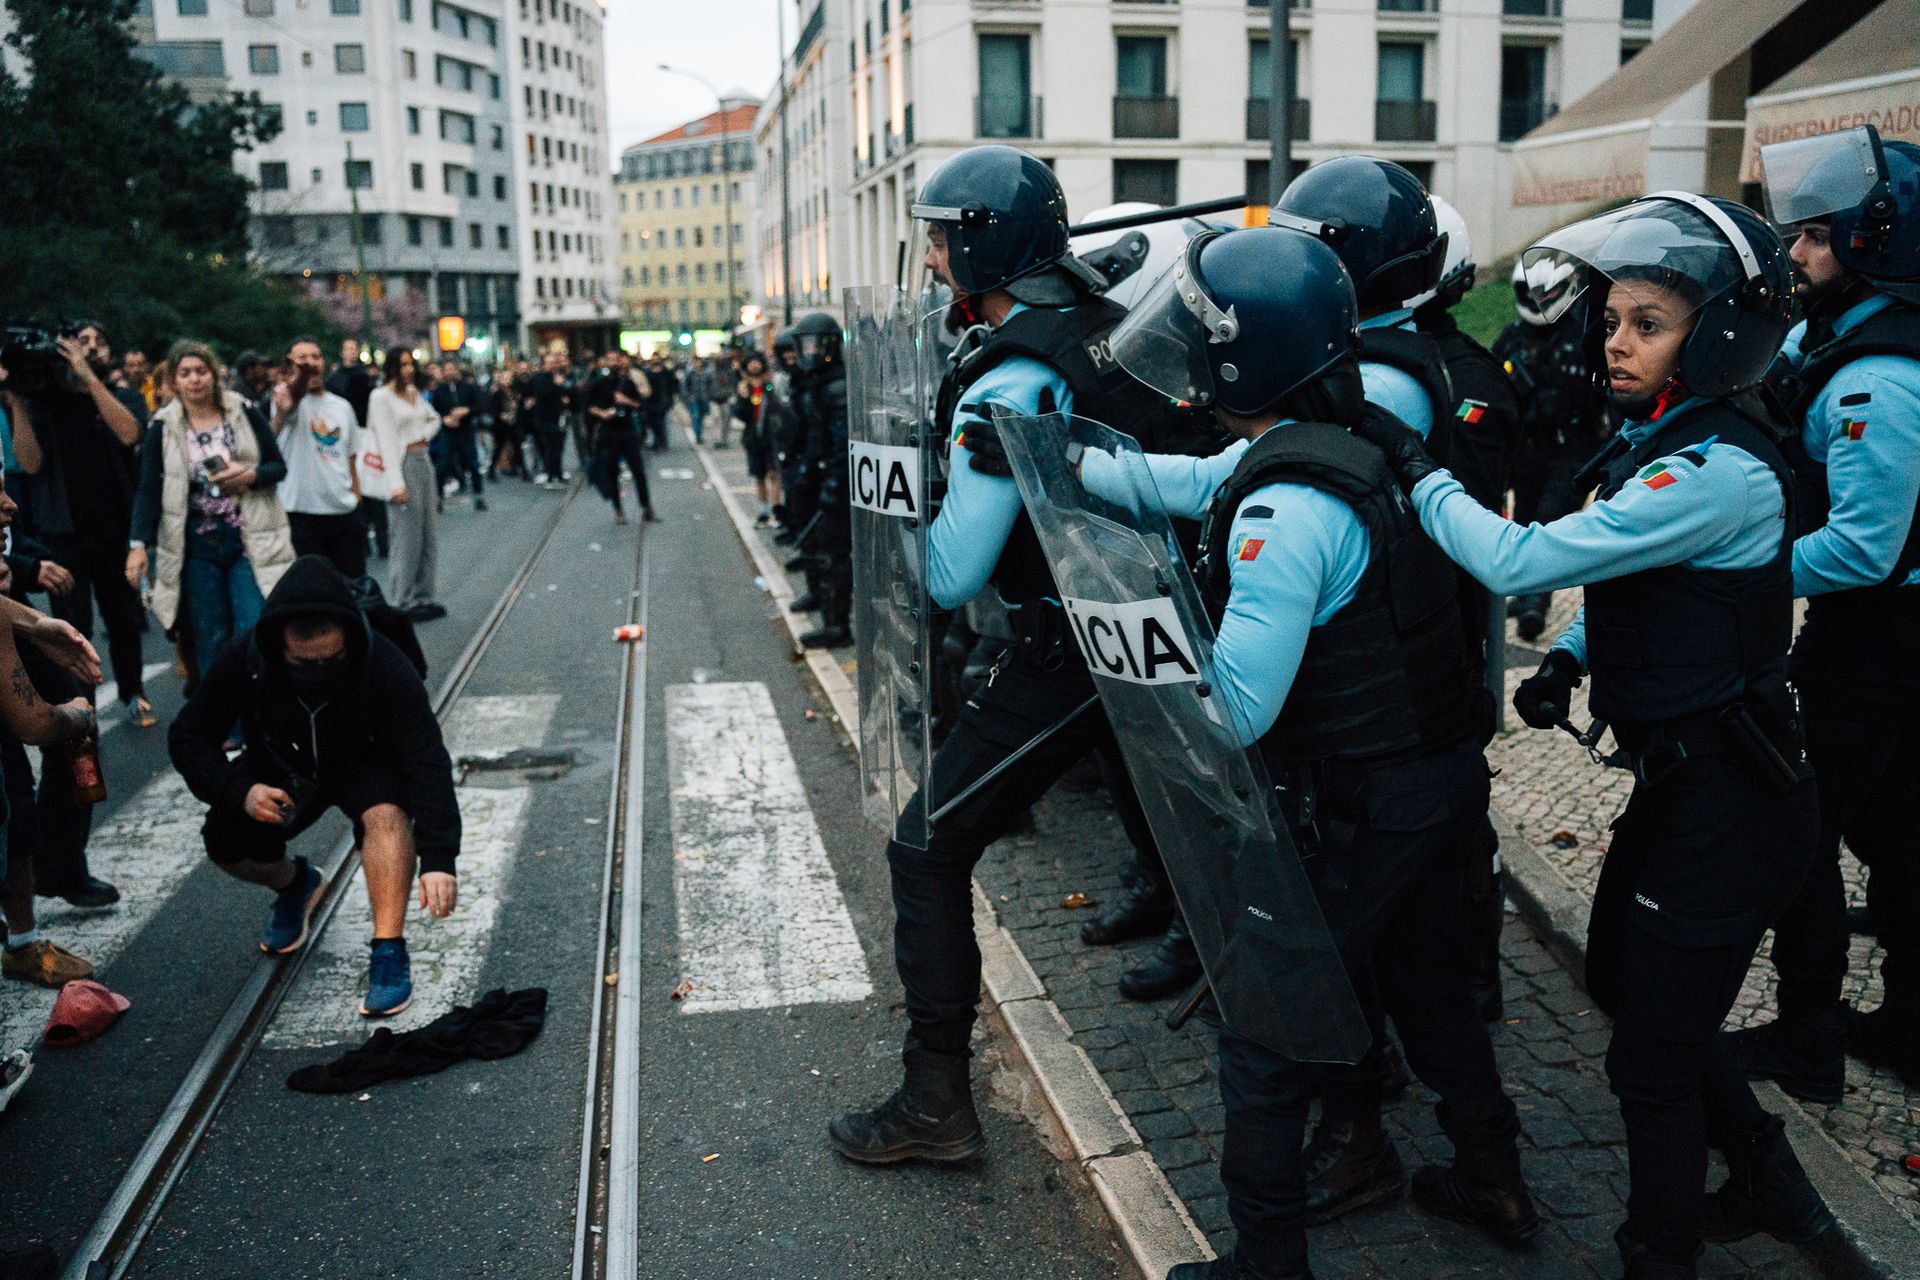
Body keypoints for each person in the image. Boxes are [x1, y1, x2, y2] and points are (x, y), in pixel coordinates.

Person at [982, 223, 1530, 1280]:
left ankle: (1267, 1260)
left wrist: (1134, 633)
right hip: (1436, 778)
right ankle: (1493, 1174)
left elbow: (1233, 709)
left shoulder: (1284, 512)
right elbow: (1186, 481)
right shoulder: (1344, 439)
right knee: (1429, 991)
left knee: (1265, 1028)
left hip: (1367, 798)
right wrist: (1049, 455)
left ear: (1244, 354)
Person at [1355, 192, 1833, 1278]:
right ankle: (1762, 1166)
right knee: (1630, 984)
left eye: (1648, 322)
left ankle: (1657, 1252)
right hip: (1685, 789)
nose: (1616, 341)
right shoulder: (1670, 438)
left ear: (1712, 335)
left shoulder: (1715, 468)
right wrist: (1571, 657)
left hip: (1733, 803)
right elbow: (1636, 572)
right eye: (1613, 319)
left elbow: (1524, 559)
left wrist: (1417, 465)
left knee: (1649, 1063)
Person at [827, 144, 1186, 1165]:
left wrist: (890, 492)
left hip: (1075, 643)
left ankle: (935, 1096)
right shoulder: (1089, 328)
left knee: (926, 842)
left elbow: (947, 574)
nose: (932, 256)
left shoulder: (1009, 377)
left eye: (941, 237)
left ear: (980, 244)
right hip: (1126, 622)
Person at [1726, 125, 1920, 1098]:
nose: (1794, 253)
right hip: (1889, 633)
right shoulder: (1847, 332)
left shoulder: (1877, 377)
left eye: (1813, 237)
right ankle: (1911, 1025)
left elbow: (1862, 549)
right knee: (1898, 824)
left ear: (1877, 244)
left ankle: (1808, 1039)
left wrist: (1735, 568)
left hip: (1878, 637)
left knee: (1792, 823)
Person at [167, 555, 461, 1017]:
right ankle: (297, 884)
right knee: (225, 845)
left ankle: (388, 951)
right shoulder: (247, 656)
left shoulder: (383, 660)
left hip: (365, 762)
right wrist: (237, 791)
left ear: (351, 638)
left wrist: (440, 857)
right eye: (305, 663)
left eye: (333, 659)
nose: (321, 670)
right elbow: (189, 736)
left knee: (385, 815)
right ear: (278, 645)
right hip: (283, 764)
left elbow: (426, 760)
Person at [1410, 195, 1522, 1024]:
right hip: (1392, 628)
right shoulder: (1370, 360)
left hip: (1439, 631)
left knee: (1457, 822)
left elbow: (1474, 525)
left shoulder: (1468, 375)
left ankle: (1476, 979)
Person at [6, 321, 152, 729]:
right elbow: (30, 464)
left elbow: (128, 434)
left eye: (96, 342)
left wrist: (89, 380)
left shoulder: (121, 396)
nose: (87, 348)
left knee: (123, 619)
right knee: (74, 625)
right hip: (63, 534)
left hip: (113, 528)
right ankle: (82, 706)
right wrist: (16, 401)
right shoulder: (45, 404)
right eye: (80, 341)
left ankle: (132, 691)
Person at [125, 341, 294, 687]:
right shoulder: (163, 426)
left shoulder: (242, 410)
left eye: (201, 371)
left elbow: (278, 465)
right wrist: (138, 543)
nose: (195, 380)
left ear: (214, 374)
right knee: (210, 636)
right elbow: (148, 491)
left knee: (253, 627)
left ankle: (260, 723)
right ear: (173, 381)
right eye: (185, 373)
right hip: (195, 544)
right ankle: (227, 730)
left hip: (247, 535)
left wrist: (250, 476)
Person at [1493, 260, 1613, 639]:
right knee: (1525, 522)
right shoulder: (1510, 341)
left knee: (1547, 523)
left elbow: (1611, 400)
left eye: (1545, 294)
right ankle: (1529, 590)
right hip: (1526, 454)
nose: (1538, 300)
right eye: (1530, 294)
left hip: (1573, 452)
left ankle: (1534, 603)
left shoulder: (1586, 339)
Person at [272, 337, 366, 581]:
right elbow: (293, 397)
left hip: (342, 512)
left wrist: (356, 494)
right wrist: (302, 375)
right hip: (302, 514)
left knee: (352, 590)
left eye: (315, 357)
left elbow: (351, 453)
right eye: (301, 358)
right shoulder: (287, 400)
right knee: (314, 593)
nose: (310, 363)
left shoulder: (342, 406)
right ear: (289, 367)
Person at [786, 314, 851, 647]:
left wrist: (833, 484)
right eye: (804, 345)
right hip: (820, 473)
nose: (808, 351)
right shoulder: (816, 380)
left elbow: (841, 441)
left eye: (813, 344)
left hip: (836, 481)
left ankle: (837, 624)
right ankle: (824, 606)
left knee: (833, 554)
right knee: (818, 549)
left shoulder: (836, 383)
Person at [368, 350, 445, 622]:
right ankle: (403, 597)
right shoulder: (381, 396)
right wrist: (395, 483)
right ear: (391, 367)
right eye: (402, 364)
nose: (408, 369)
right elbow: (385, 440)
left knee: (428, 531)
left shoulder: (413, 392)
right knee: (406, 534)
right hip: (400, 464)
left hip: (422, 459)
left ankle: (424, 593)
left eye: (411, 363)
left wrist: (422, 435)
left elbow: (434, 418)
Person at [583, 352, 654, 524]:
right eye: (610, 360)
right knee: (612, 472)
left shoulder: (627, 383)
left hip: (627, 431)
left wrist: (626, 401)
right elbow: (588, 406)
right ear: (604, 363)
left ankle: (646, 507)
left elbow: (640, 405)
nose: (614, 364)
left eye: (617, 360)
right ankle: (618, 510)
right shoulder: (598, 384)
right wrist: (603, 413)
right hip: (609, 433)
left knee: (638, 470)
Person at [732, 354, 779, 526]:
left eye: (757, 363)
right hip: (753, 437)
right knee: (759, 476)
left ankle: (776, 511)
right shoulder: (744, 387)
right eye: (751, 363)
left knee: (773, 474)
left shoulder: (770, 384)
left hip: (771, 437)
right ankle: (763, 510)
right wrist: (743, 397)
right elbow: (740, 414)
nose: (754, 366)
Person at [521, 351, 573, 486]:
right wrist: (555, 385)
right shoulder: (540, 379)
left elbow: (565, 394)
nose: (553, 366)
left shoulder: (559, 377)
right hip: (545, 419)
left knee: (559, 448)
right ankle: (551, 477)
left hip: (559, 417)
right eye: (549, 363)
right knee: (550, 448)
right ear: (544, 365)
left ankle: (558, 473)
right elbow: (542, 394)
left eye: (554, 363)